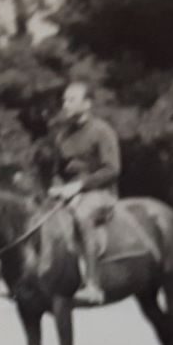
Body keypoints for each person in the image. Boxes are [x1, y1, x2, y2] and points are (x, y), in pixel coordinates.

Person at [47, 81, 121, 305]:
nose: (65, 104)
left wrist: (79, 188)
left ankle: (93, 285)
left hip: (101, 193)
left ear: (87, 104)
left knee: (82, 216)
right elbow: (57, 171)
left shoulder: (101, 131)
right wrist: (58, 188)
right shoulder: (62, 136)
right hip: (70, 194)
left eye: (71, 100)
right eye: (64, 100)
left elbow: (112, 169)